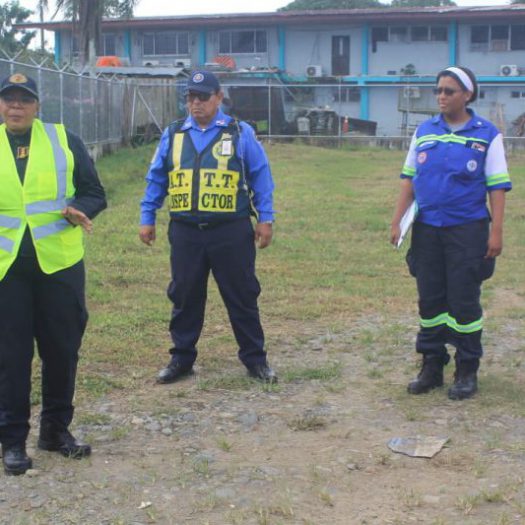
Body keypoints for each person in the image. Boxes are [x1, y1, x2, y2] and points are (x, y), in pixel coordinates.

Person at [139, 70, 277, 385]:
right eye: (191, 97)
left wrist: (265, 218)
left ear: (218, 98)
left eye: (203, 97)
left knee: (242, 295)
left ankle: (255, 360)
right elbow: (157, 177)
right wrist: (147, 217)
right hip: (186, 231)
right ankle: (181, 359)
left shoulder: (239, 132)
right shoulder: (174, 134)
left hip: (231, 230)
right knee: (184, 295)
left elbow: (260, 175)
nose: (196, 103)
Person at [0, 73, 107, 475]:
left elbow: (94, 192)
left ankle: (55, 431)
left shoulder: (64, 140)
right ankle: (12, 441)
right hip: (6, 270)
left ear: (37, 106)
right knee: (10, 356)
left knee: (62, 349)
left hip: (59, 265)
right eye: (9, 99)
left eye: (24, 100)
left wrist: (81, 208)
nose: (16, 106)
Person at [391, 66, 512, 401]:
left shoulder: (486, 134)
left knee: (463, 301)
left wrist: (496, 232)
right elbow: (409, 179)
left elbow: (497, 187)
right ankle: (431, 365)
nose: (441, 96)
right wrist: (397, 221)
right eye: (439, 90)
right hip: (427, 230)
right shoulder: (424, 131)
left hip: (467, 231)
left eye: (449, 91)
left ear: (467, 95)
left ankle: (467, 369)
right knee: (430, 299)